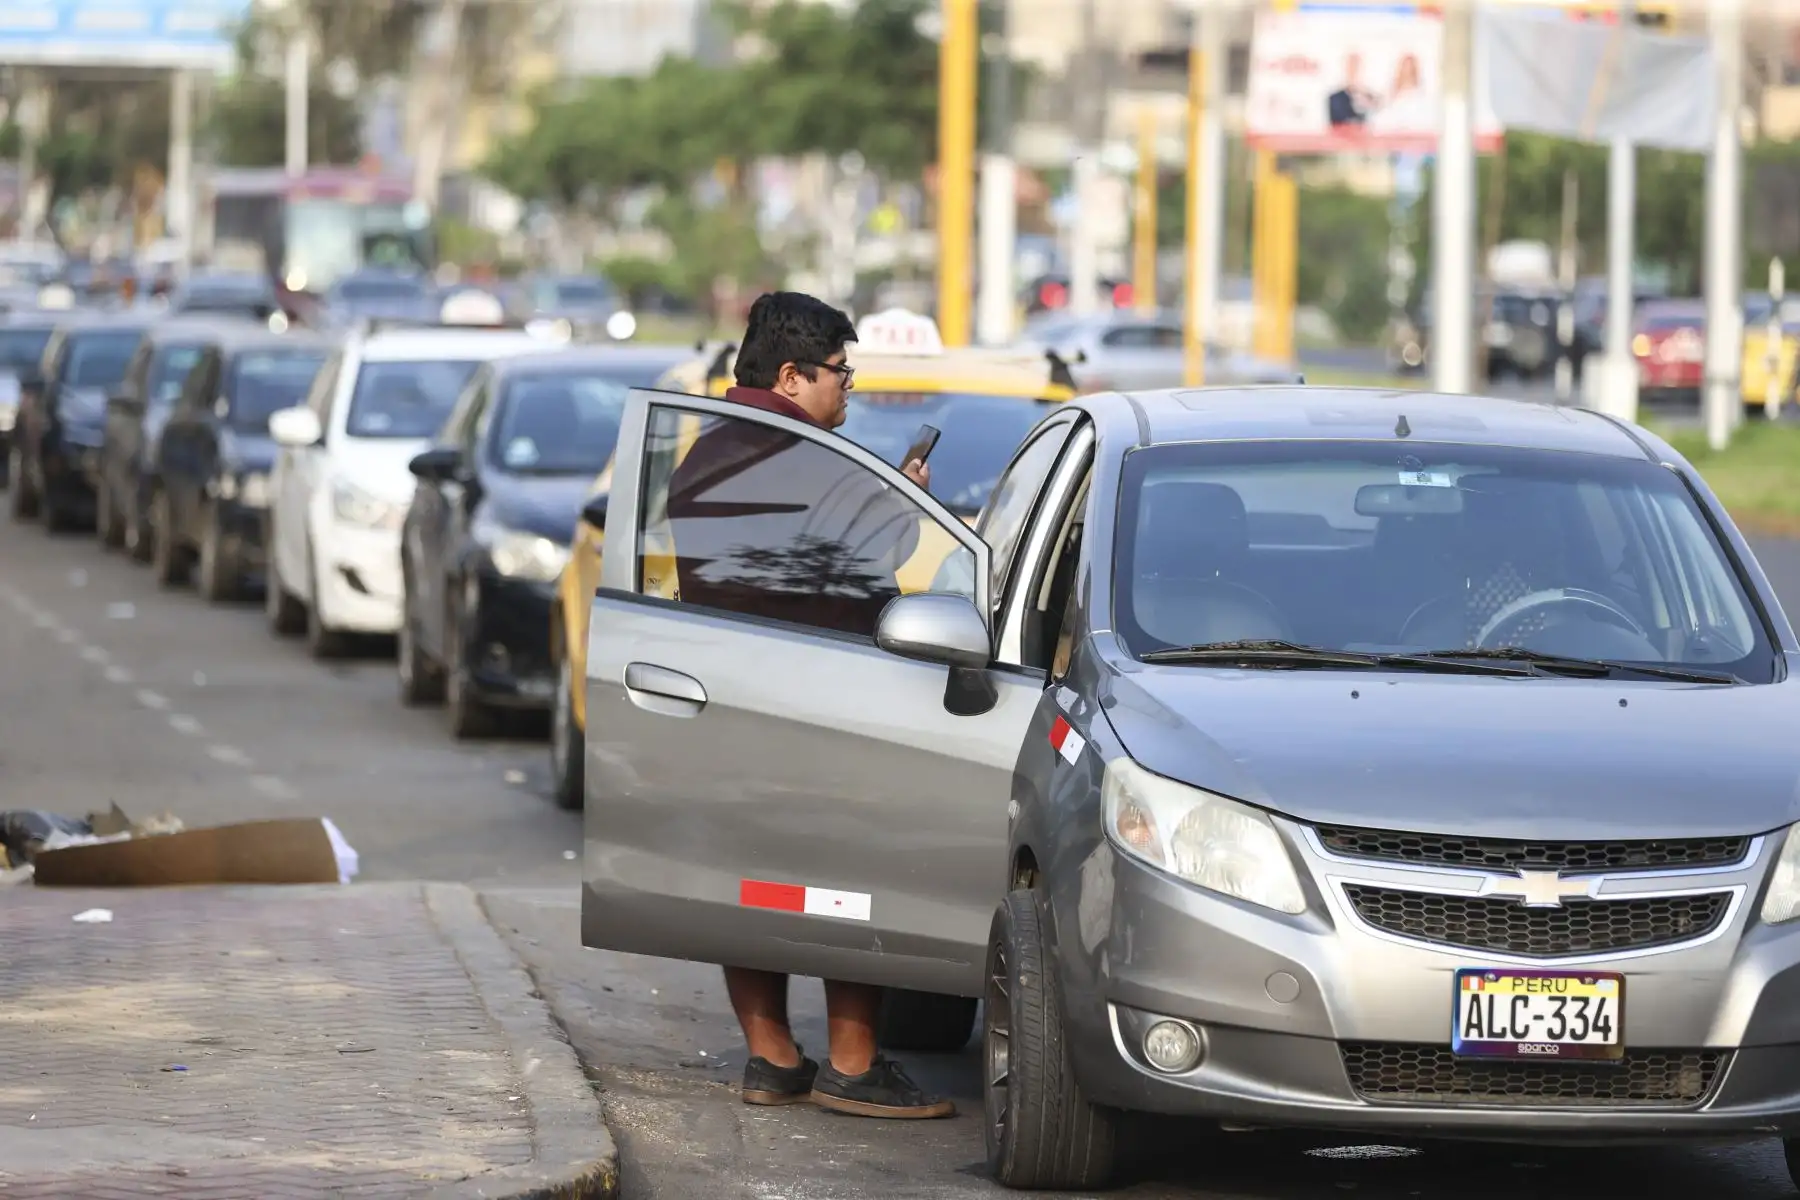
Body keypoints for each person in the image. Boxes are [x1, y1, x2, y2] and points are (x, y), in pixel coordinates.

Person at [666, 291, 953, 1120]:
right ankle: (854, 1065)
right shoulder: (811, 458)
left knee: (753, 885)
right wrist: (900, 496)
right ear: (793, 377)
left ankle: (771, 1058)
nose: (847, 390)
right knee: (845, 884)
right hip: (823, 708)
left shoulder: (706, 453)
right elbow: (875, 557)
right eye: (840, 374)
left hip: (729, 702)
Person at [1366, 52, 1432, 136]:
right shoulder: (1390, 93)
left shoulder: (1419, 94)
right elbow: (1382, 117)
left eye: (1410, 68)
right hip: (1392, 135)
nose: (1407, 71)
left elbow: (1419, 120)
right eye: (1405, 67)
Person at [1327, 52, 1374, 128]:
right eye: (1351, 66)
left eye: (1357, 66)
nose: (1354, 70)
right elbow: (1336, 124)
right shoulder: (1335, 98)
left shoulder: (1370, 97)